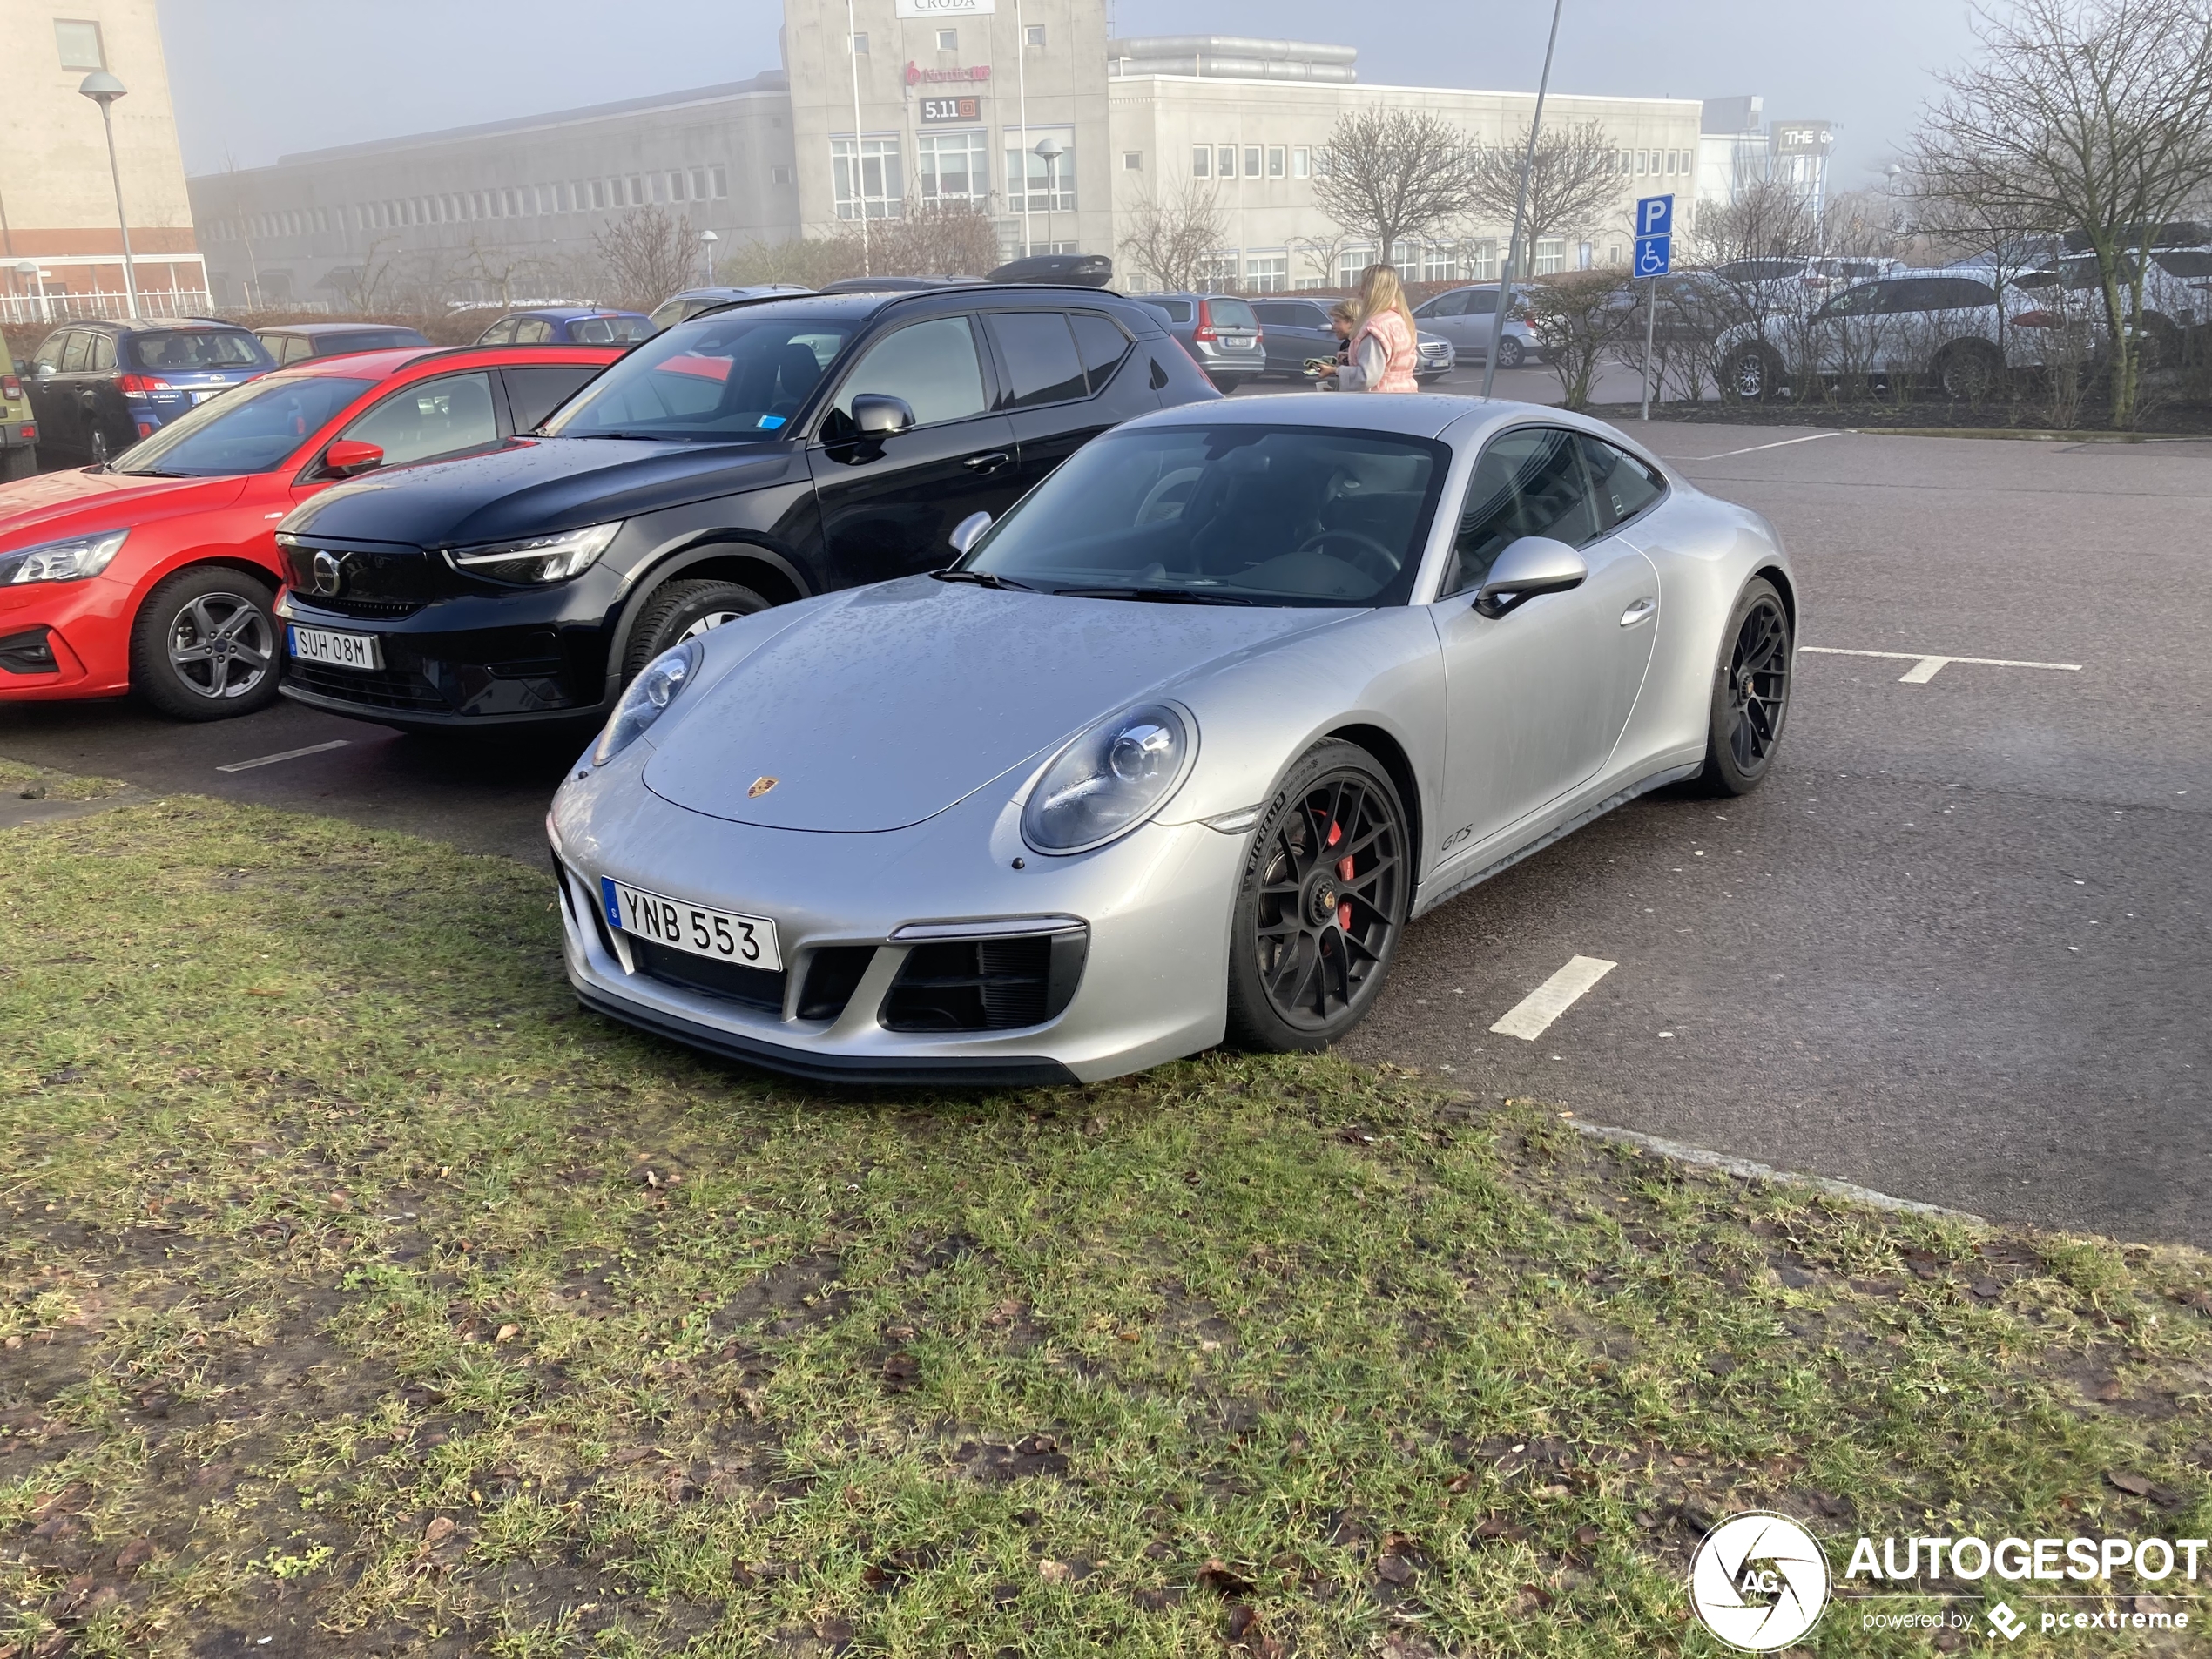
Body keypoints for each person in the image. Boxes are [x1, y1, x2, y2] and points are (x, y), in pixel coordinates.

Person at [1316, 264, 1420, 393]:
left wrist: (1336, 370)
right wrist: (1354, 357)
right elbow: (1395, 363)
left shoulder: (1375, 328)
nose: (1360, 293)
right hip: (1405, 396)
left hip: (1378, 402)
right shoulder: (1401, 320)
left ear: (1374, 291)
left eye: (1364, 287)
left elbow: (1366, 377)